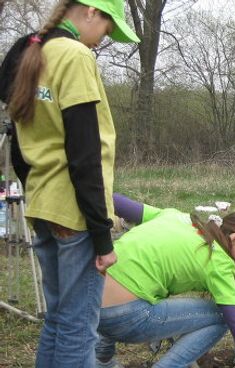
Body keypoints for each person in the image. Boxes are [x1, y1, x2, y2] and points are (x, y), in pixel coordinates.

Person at [0, 1, 139, 366]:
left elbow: (18, 147)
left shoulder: (34, 52)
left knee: (59, 319)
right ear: (91, 11)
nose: (100, 41)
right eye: (107, 30)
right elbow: (85, 155)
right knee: (79, 328)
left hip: (43, 206)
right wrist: (102, 235)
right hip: (75, 213)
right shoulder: (74, 56)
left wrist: (36, 190)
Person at [94, 193, 235, 368]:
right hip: (124, 317)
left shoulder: (179, 217)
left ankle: (100, 360)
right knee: (222, 317)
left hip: (90, 304)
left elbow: (114, 201)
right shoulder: (220, 263)